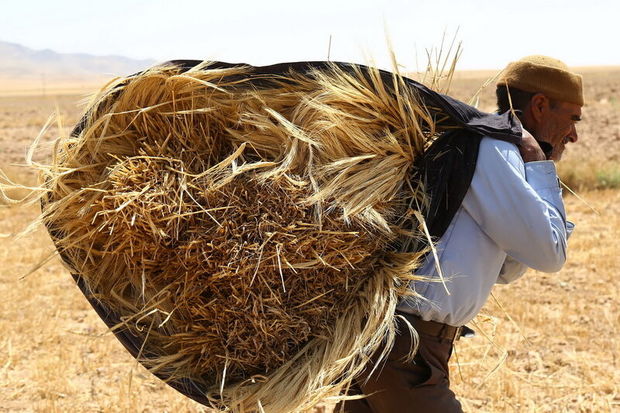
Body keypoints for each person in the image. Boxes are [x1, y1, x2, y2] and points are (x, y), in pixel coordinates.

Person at [337, 55, 583, 412]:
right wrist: (541, 168)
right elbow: (550, 254)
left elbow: (510, 268)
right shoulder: (495, 151)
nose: (574, 135)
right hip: (407, 352)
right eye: (572, 118)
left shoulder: (496, 153)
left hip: (404, 347)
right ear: (541, 106)